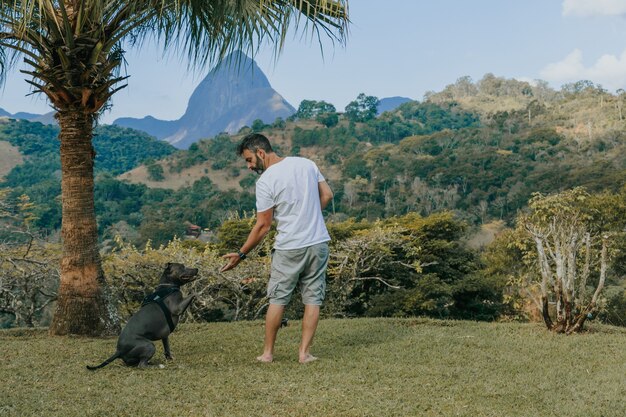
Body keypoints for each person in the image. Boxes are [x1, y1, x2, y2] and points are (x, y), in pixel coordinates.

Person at [220, 133, 333, 364]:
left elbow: (263, 225)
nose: (250, 166)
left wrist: (240, 255)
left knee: (278, 298)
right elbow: (327, 195)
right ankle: (304, 354)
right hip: (318, 242)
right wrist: (310, 215)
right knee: (313, 298)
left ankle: (268, 353)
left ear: (261, 153)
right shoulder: (307, 164)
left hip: (289, 247)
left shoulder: (266, 181)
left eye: (249, 160)